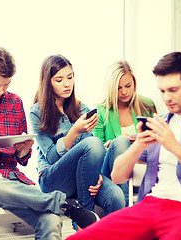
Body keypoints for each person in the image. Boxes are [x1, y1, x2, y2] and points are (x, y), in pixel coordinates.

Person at [0, 47, 99, 240]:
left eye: (6, 84)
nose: (1, 91)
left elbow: (22, 160)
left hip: (11, 182)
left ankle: (59, 207)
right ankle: (63, 204)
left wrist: (23, 151)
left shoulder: (14, 102)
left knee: (51, 220)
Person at [66, 51, 181, 240]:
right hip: (149, 206)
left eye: (173, 90)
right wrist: (138, 145)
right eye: (162, 91)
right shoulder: (159, 122)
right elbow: (116, 176)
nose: (167, 98)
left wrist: (175, 146)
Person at [29, 55, 125, 225]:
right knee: (93, 143)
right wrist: (74, 130)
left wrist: (98, 176)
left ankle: (105, 232)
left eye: (70, 77)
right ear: (47, 82)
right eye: (59, 79)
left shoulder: (82, 108)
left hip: (83, 178)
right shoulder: (36, 113)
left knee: (116, 197)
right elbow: (51, 157)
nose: (67, 84)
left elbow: (93, 153)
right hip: (54, 180)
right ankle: (84, 219)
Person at [93, 60, 156, 205]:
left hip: (141, 165)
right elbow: (95, 150)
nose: (124, 92)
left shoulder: (147, 105)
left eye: (128, 86)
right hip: (113, 170)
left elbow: (156, 141)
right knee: (121, 142)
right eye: (118, 88)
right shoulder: (101, 111)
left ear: (134, 83)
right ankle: (126, 207)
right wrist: (115, 142)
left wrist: (140, 142)